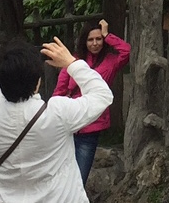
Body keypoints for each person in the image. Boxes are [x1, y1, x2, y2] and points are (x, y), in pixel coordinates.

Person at [0, 37, 112, 203]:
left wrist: (9, 69)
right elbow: (102, 95)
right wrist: (71, 63)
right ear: (38, 82)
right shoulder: (57, 114)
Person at [52, 18, 131, 185]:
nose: (95, 43)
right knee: (61, 176)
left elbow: (126, 51)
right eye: (90, 39)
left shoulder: (111, 61)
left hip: (91, 126)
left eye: (98, 39)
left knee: (79, 179)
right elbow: (59, 91)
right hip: (70, 124)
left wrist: (107, 34)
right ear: (84, 41)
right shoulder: (73, 60)